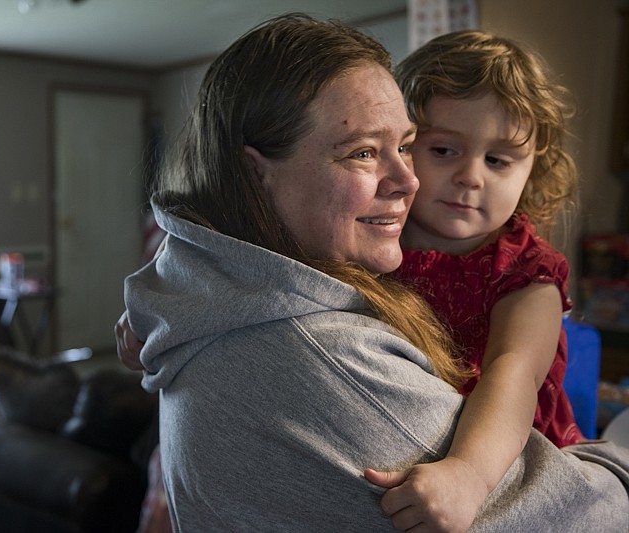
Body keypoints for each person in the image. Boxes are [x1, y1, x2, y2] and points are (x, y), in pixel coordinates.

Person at [120, 13, 629, 532]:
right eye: (363, 152)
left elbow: (512, 377)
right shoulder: (322, 347)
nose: (408, 180)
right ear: (257, 172)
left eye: (404, 145)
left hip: (512, 439)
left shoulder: (516, 275)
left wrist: (469, 475)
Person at [362, 30, 584, 530]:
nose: (471, 177)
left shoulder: (528, 273)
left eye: (498, 160)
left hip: (501, 470)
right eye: (443, 150)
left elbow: (514, 370)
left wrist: (468, 474)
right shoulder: (370, 236)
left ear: (533, 170)